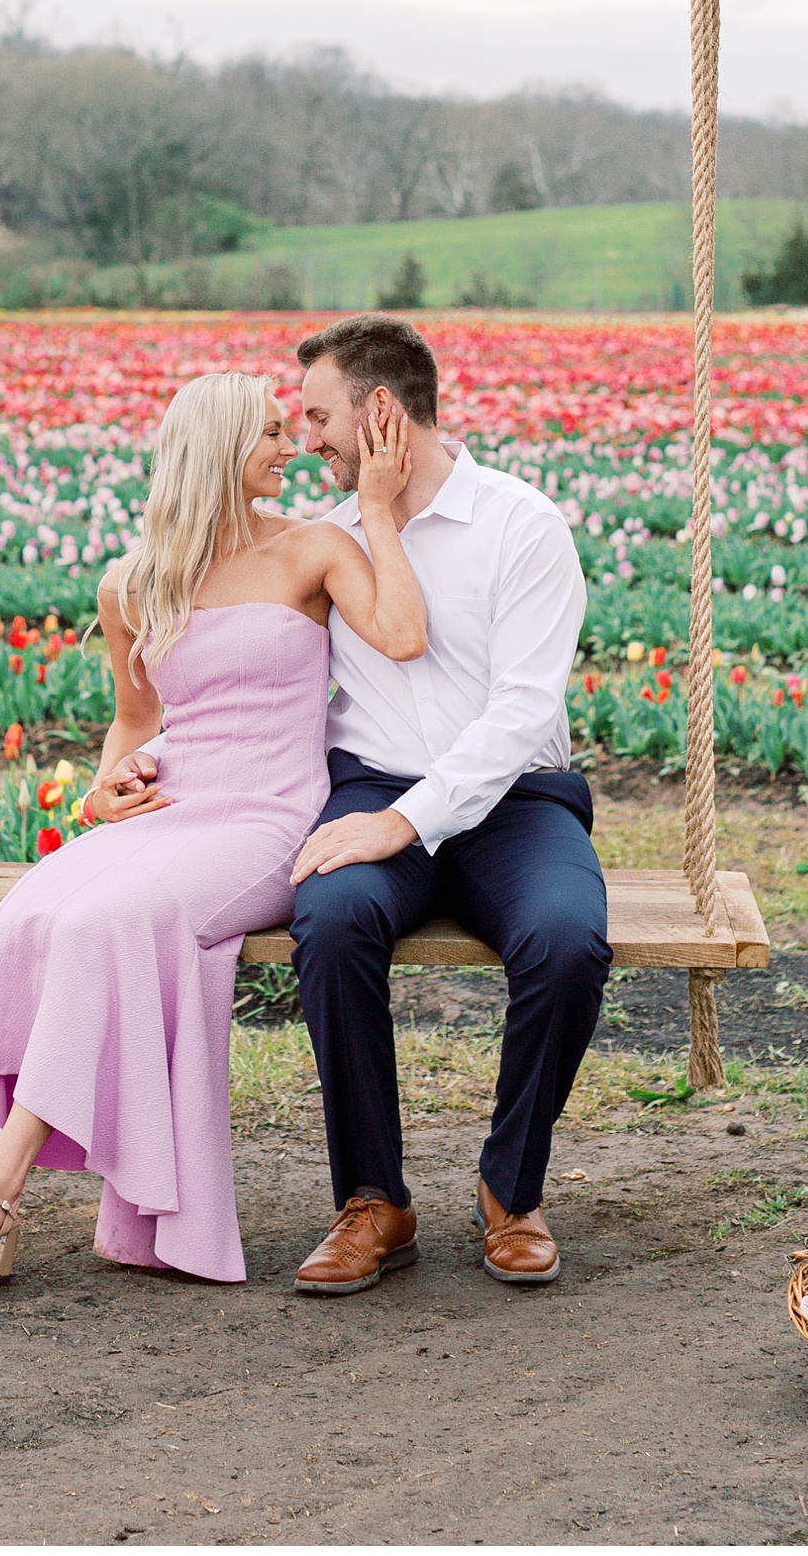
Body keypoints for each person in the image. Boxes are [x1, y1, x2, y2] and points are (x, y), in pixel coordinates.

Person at [0, 368, 427, 1291]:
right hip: (170, 809)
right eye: (269, 432)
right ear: (219, 448)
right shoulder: (133, 581)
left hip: (266, 817)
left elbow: (406, 633)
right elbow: (137, 721)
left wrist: (375, 508)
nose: (290, 445)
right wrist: (107, 788)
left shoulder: (314, 550)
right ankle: (7, 1188)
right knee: (35, 911)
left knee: (109, 921)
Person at [284, 315, 607, 1292]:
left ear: (380, 411)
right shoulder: (325, 539)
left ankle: (510, 1187)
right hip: (375, 785)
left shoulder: (520, 524)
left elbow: (521, 711)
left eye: (318, 414)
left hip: (512, 802)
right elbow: (268, 679)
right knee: (331, 919)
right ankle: (373, 1201)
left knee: (566, 937)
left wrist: (407, 819)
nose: (305, 439)